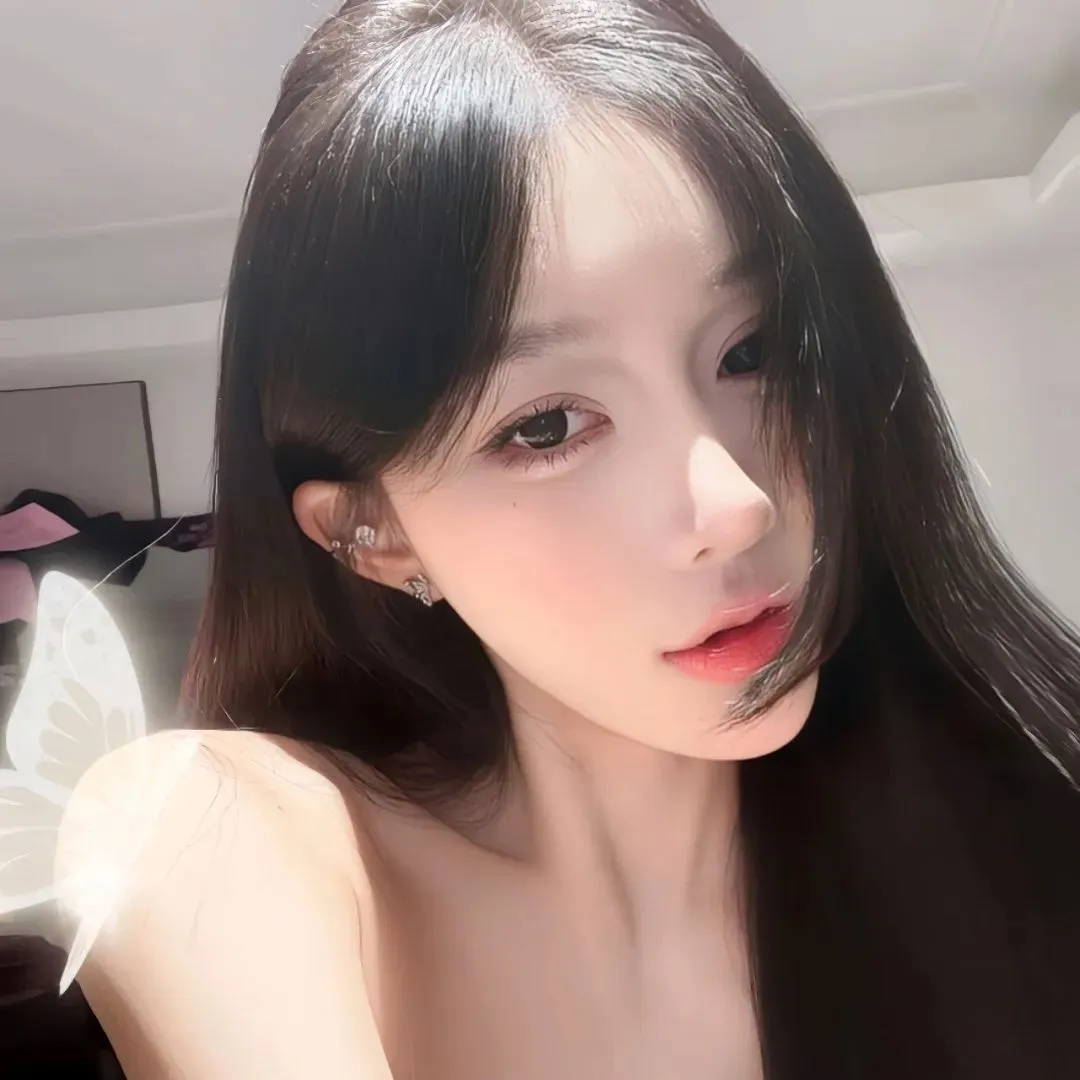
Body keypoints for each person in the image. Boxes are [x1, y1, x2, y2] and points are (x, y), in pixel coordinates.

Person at [56, 1, 1080, 1078]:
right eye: (545, 427)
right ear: (374, 532)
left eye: (755, 349)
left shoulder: (1014, 846)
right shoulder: (224, 833)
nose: (736, 505)